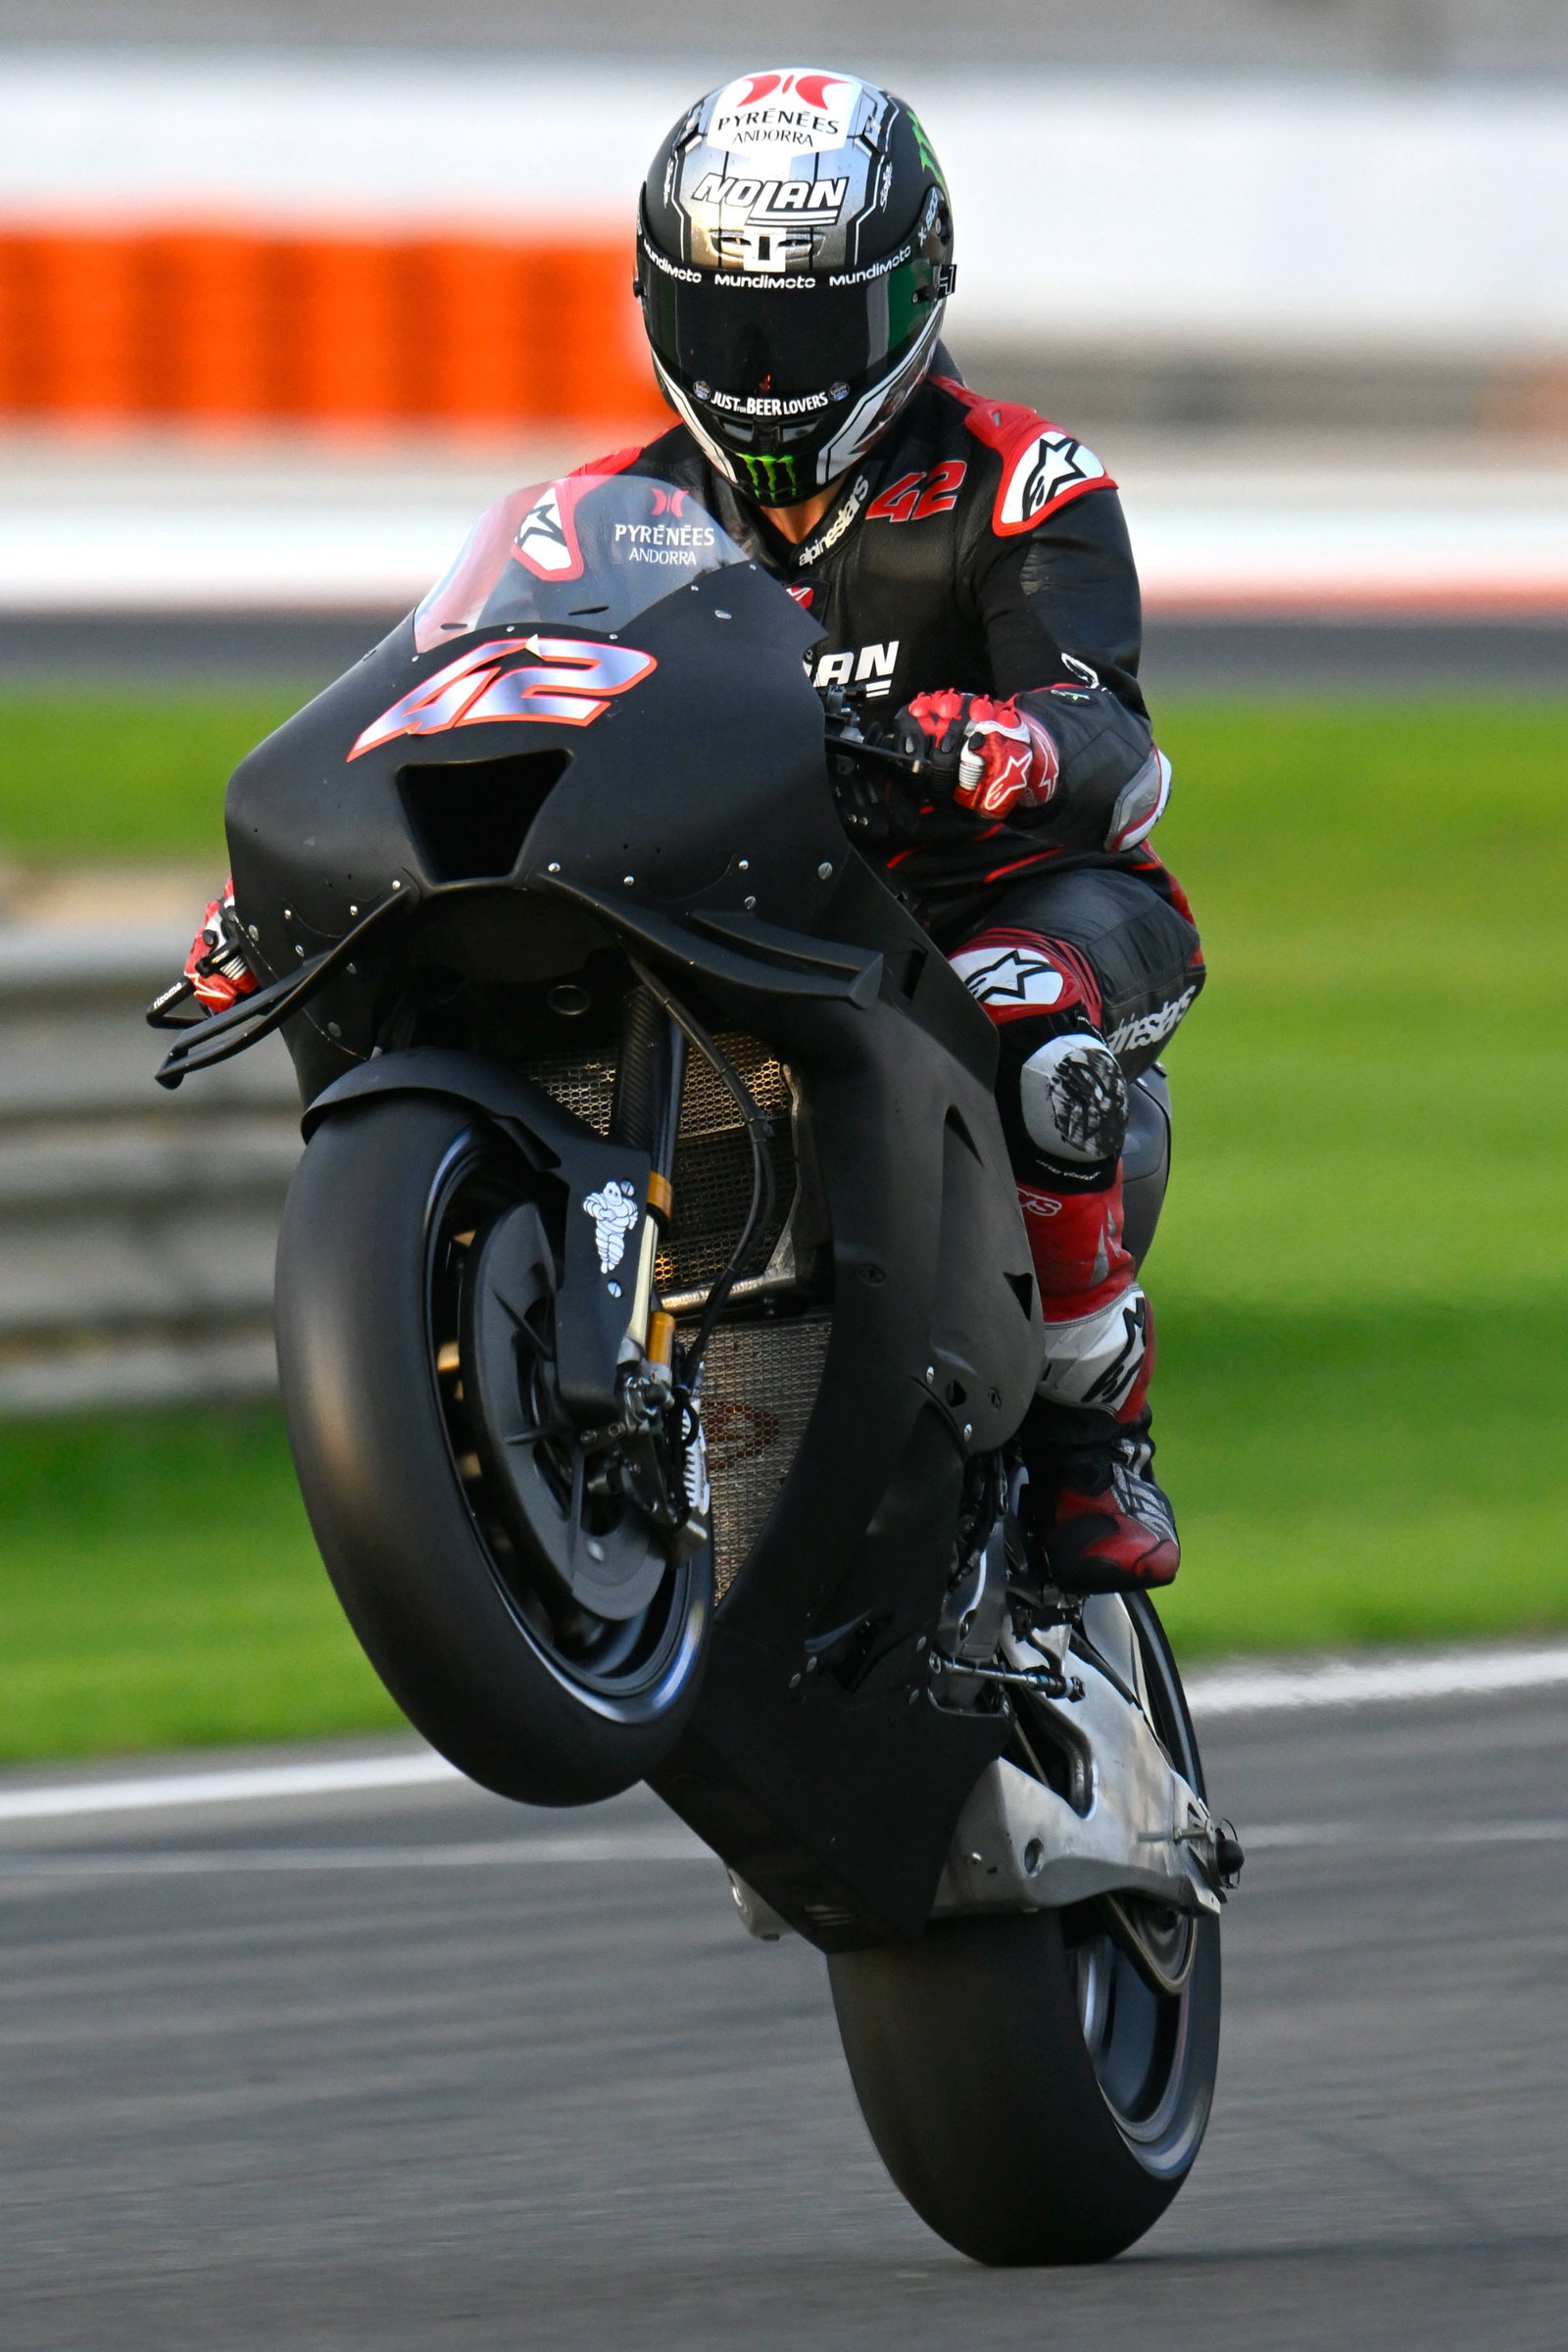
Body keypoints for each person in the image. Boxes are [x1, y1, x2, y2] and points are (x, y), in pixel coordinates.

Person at [184, 67, 1203, 1593]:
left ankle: (1088, 1430)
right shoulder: (595, 520)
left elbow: (1105, 740)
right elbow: (465, 703)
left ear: (915, 291)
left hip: (1020, 902)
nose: (762, 366)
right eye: (727, 327)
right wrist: (286, 891)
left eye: (806, 330)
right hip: (770, 906)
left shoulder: (1020, 480)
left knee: (1027, 1014)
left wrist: (959, 743)